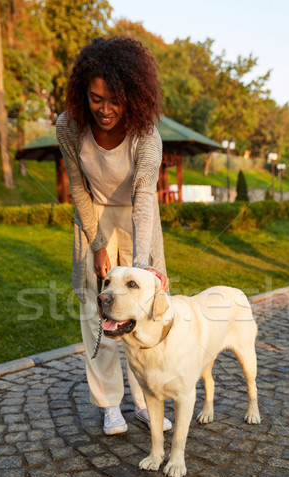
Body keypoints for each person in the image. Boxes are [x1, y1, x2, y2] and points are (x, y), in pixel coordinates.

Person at [56, 36, 171, 435]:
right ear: (83, 94)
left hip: (138, 220)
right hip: (94, 219)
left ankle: (144, 401)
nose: (105, 110)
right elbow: (78, 189)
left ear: (132, 96)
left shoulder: (147, 136)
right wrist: (98, 244)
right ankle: (109, 405)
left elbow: (144, 198)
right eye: (95, 98)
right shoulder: (69, 126)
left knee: (143, 312)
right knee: (98, 311)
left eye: (114, 100)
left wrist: (142, 267)